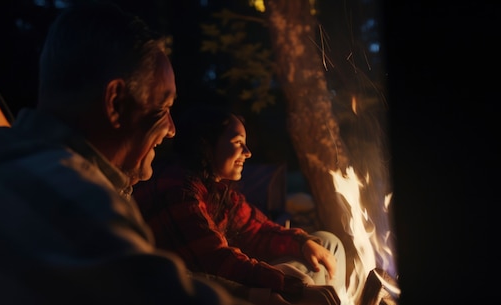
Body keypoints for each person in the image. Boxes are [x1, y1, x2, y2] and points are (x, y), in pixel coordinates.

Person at [0, 3, 251, 305]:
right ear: (115, 103)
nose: (172, 128)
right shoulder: (72, 198)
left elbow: (138, 271)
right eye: (164, 106)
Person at [133, 103, 347, 305]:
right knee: (311, 273)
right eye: (237, 142)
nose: (247, 152)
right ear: (206, 144)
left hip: (229, 282)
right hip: (207, 294)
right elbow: (219, 262)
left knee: (327, 244)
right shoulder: (177, 191)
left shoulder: (216, 189)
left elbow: (257, 229)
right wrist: (293, 287)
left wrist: (302, 242)